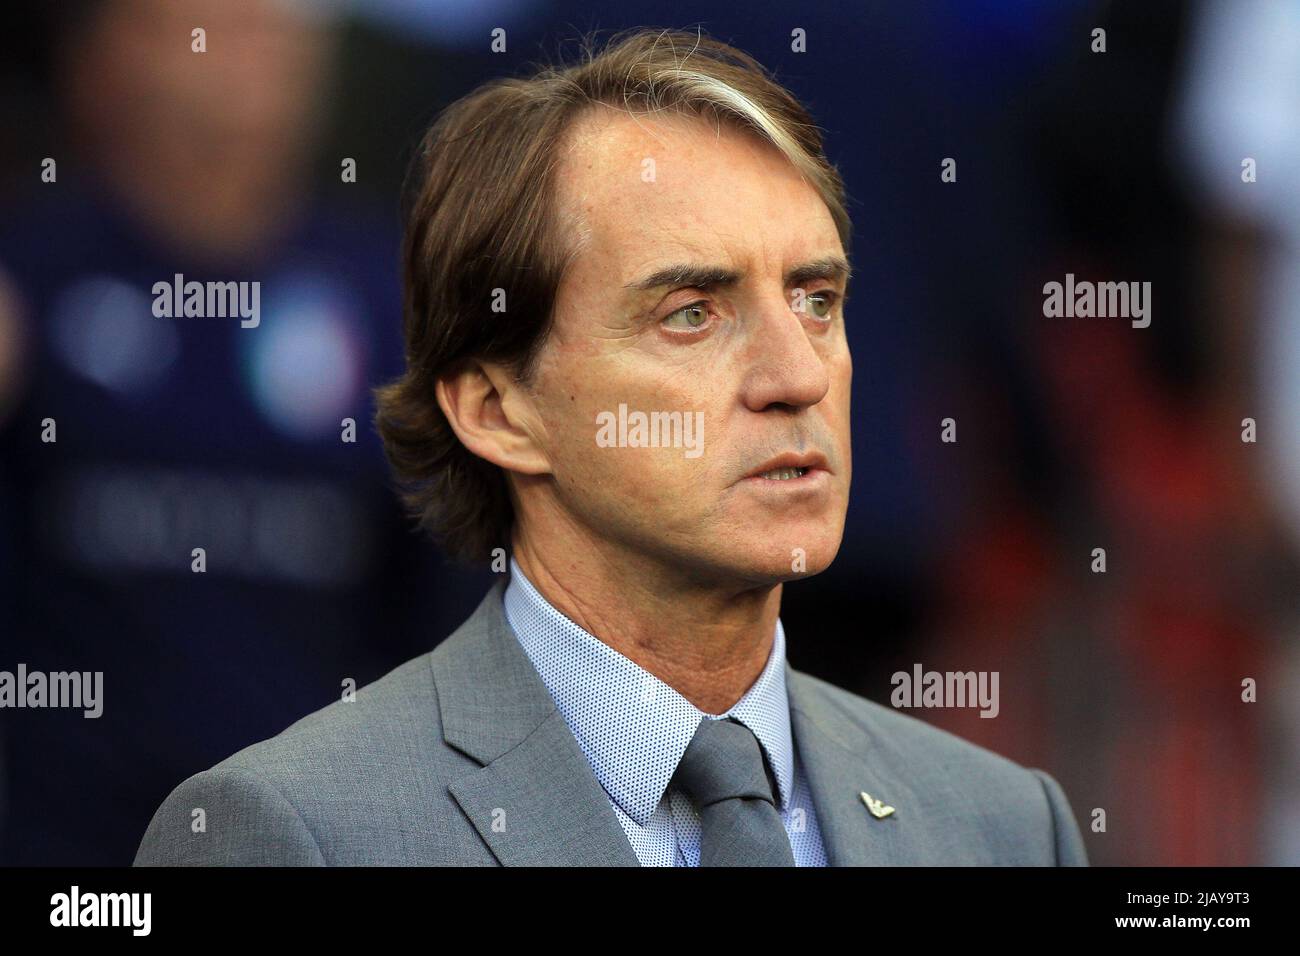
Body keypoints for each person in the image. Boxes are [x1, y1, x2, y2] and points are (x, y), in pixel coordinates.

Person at [135, 28, 1088, 866]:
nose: (798, 376)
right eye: (690, 314)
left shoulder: (1005, 826)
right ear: (499, 411)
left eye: (817, 300)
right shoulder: (291, 833)